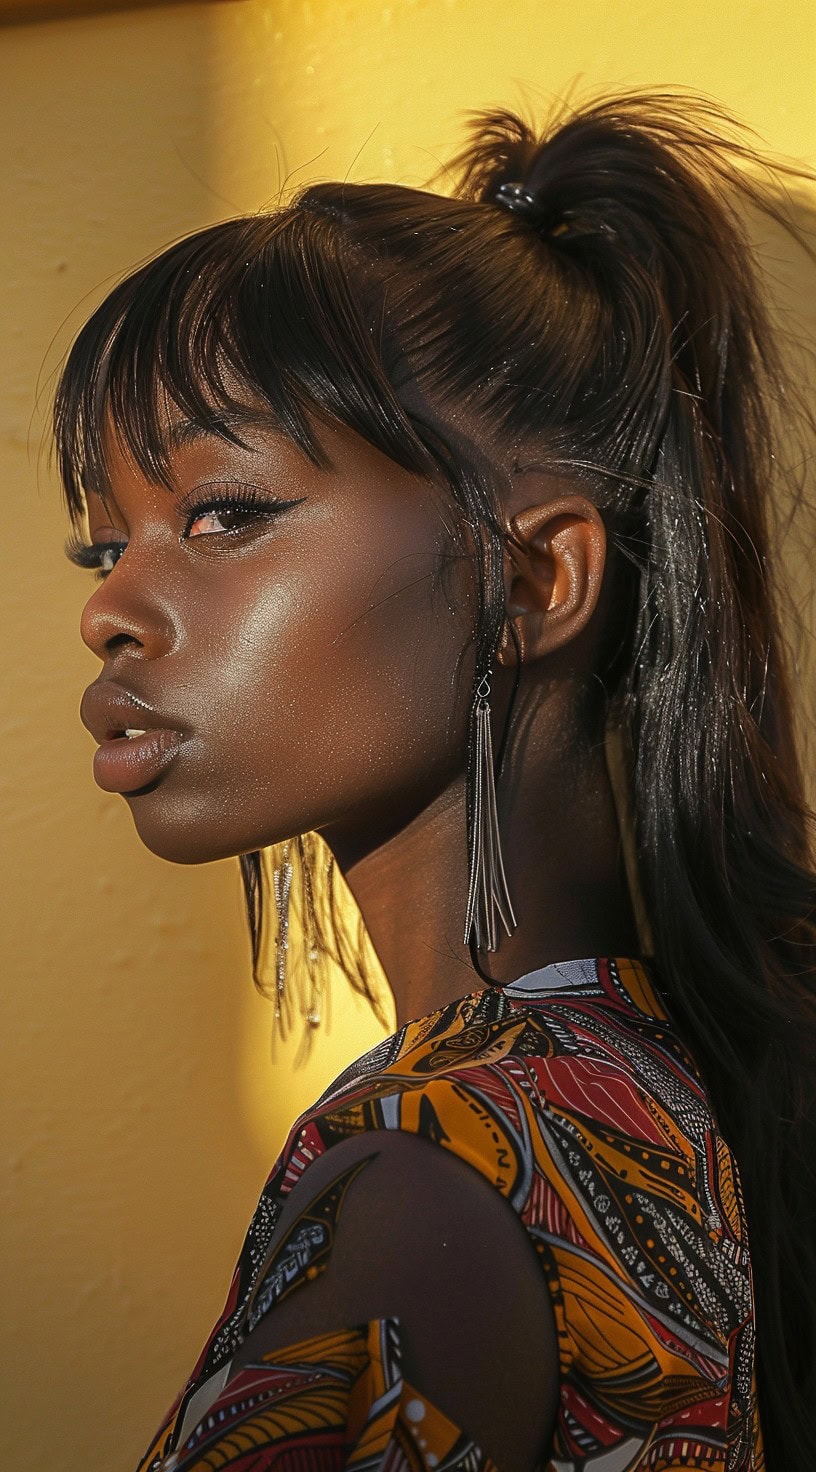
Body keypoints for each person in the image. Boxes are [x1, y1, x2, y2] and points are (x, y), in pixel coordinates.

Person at [54, 92, 815, 1471]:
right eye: (101, 548)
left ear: (533, 577)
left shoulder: (428, 1162)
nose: (112, 611)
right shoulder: (653, 1097)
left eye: (226, 513)